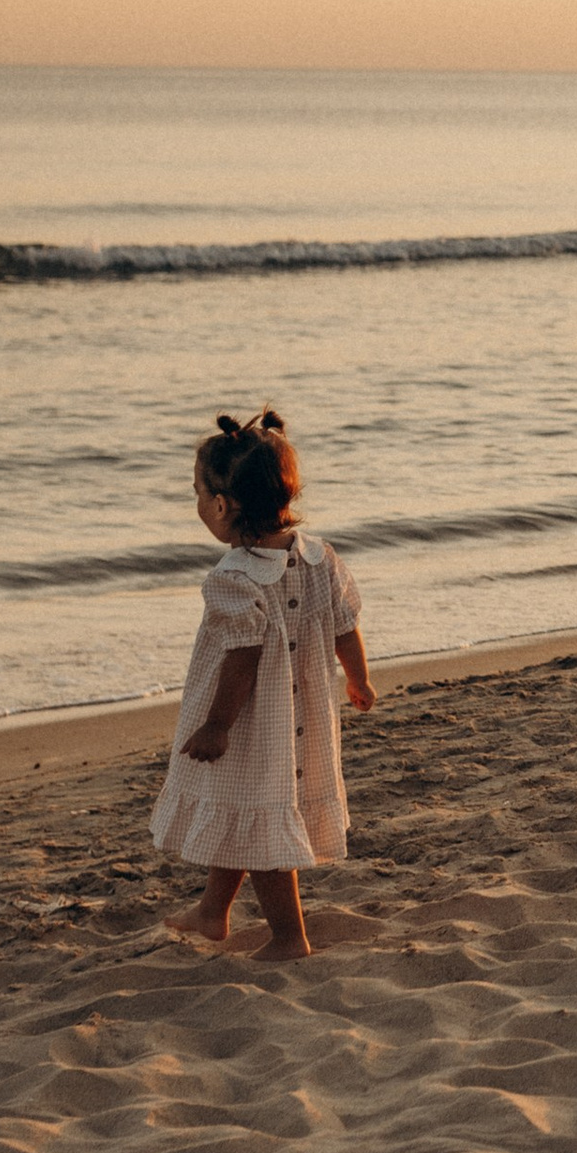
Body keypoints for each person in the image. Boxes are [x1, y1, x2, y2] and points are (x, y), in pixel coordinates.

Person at [152, 410, 374, 957]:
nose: (198, 504)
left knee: (262, 825)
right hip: (302, 719)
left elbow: (242, 659)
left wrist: (216, 725)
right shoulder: (319, 558)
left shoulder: (232, 577)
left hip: (251, 725)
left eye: (198, 493)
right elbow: (347, 626)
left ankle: (289, 938)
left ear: (223, 506)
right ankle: (212, 911)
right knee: (242, 808)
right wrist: (358, 679)